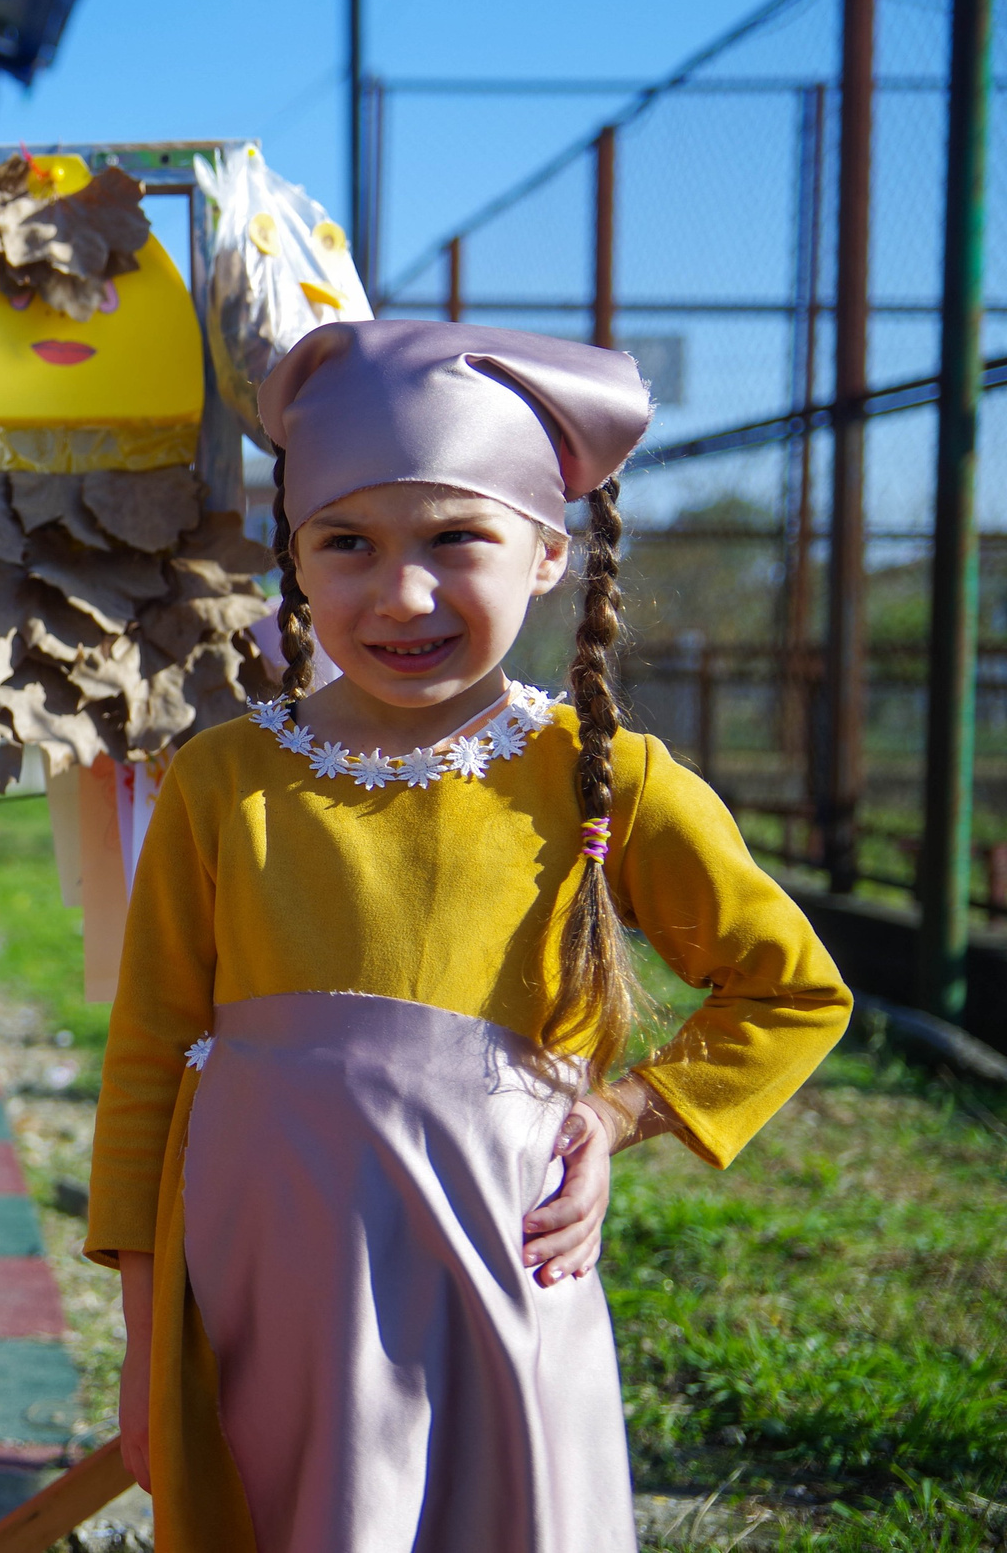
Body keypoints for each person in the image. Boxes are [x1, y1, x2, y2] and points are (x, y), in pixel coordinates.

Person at [86, 321, 851, 1553]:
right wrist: (144, 1344)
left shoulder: (606, 782)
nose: (400, 594)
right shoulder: (219, 781)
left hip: (493, 1286)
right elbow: (147, 1054)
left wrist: (618, 1113)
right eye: (348, 543)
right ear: (295, 550)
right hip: (256, 1297)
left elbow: (789, 989)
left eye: (456, 538)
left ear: (547, 551)